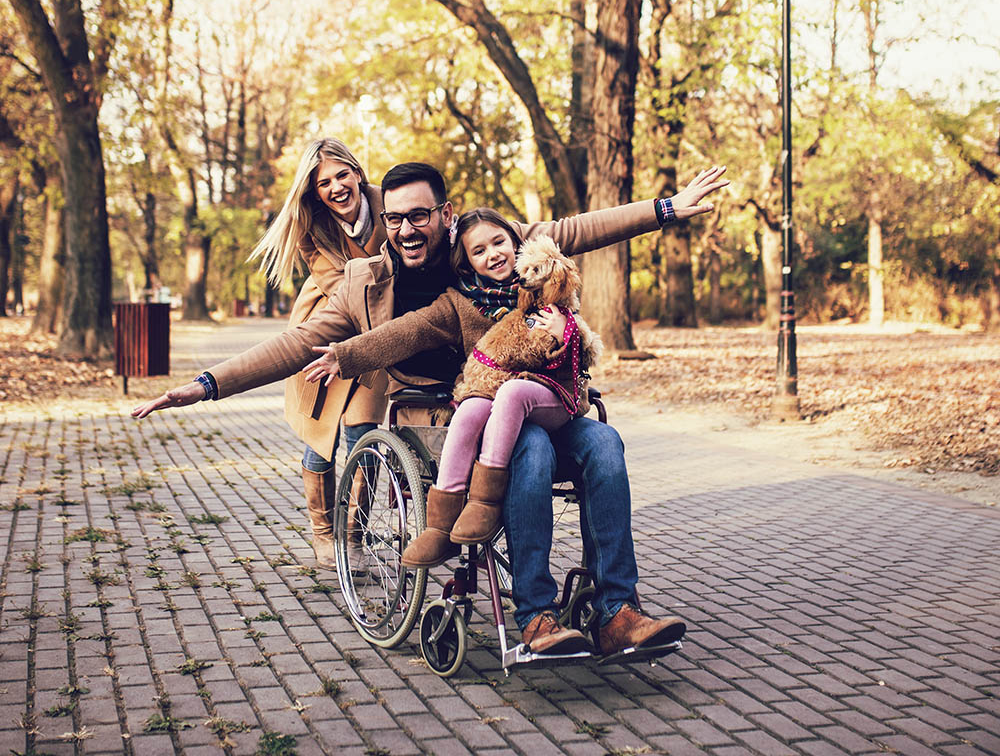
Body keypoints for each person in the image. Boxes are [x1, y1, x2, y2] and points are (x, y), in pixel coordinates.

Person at [132, 161, 729, 657]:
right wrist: (206, 384)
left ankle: (617, 610)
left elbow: (576, 231)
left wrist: (669, 208)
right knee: (531, 447)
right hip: (441, 424)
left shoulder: (490, 244)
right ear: (384, 222)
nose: (407, 229)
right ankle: (536, 616)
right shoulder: (367, 282)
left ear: (444, 214)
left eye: (420, 215)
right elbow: (299, 344)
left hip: (539, 399)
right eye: (394, 219)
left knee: (604, 443)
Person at [301, 210, 605, 573]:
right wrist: (346, 355)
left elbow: (585, 344)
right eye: (479, 251)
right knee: (480, 415)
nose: (492, 254)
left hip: (553, 400)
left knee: (602, 443)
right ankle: (444, 528)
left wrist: (562, 332)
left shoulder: (547, 291)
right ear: (466, 263)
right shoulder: (458, 304)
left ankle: (613, 601)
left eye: (499, 243)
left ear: (516, 245)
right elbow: (406, 331)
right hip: (497, 414)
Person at [248, 138, 388, 568]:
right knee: (321, 434)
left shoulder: (390, 204)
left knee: (362, 432)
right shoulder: (313, 226)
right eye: (324, 183)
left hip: (381, 324)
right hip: (326, 322)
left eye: (342, 175)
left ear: (358, 172)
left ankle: (355, 535)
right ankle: (324, 535)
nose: (336, 187)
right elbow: (338, 286)